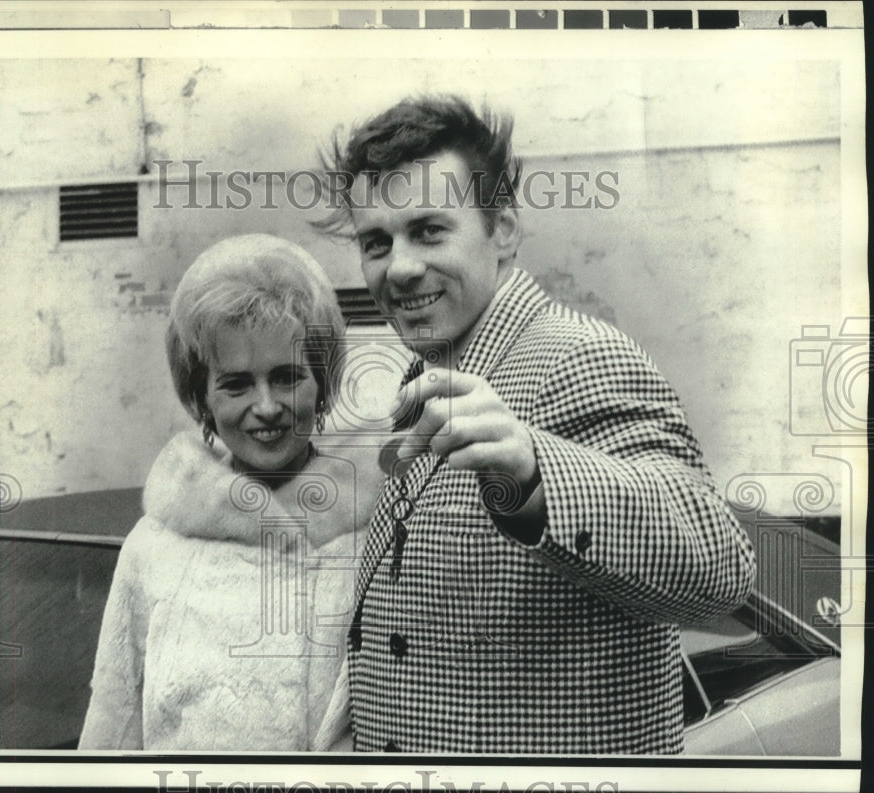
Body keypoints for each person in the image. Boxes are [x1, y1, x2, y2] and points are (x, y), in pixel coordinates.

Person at [315, 96, 757, 754]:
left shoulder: (579, 355)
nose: (400, 267)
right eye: (376, 242)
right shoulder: (429, 380)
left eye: (429, 230)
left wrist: (535, 472)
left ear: (504, 231)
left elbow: (719, 563)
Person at [79, 234, 379, 750]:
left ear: (322, 385)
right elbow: (112, 733)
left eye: (286, 378)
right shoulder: (152, 549)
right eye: (236, 384)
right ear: (202, 400)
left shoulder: (375, 534)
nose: (265, 407)